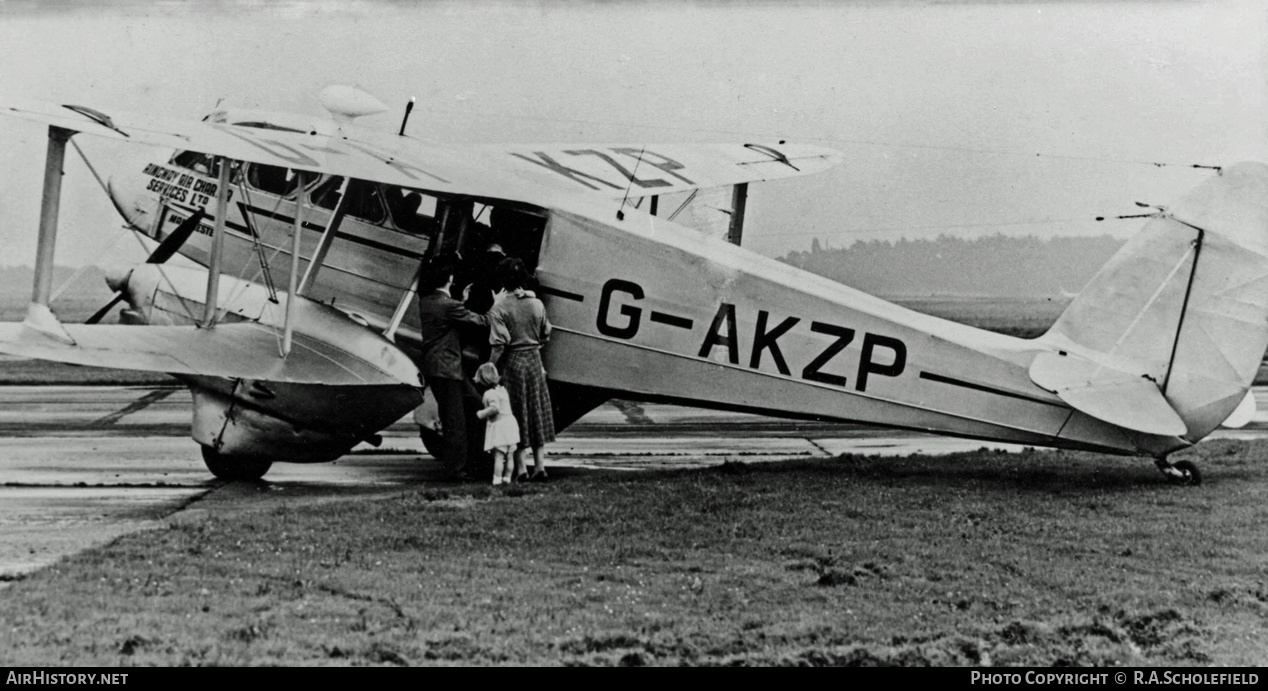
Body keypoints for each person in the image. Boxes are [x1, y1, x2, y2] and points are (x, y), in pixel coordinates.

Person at [417, 258, 488, 481]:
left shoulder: (427, 302)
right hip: (449, 370)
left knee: (471, 407)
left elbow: (449, 317)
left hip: (438, 368)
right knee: (457, 420)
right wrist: (497, 304)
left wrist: (463, 301)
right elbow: (481, 322)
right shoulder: (449, 306)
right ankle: (456, 470)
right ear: (449, 279)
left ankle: (465, 462)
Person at [487, 257, 555, 481]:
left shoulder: (499, 308)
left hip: (513, 363)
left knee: (516, 415)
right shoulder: (536, 304)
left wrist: (490, 366)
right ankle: (540, 467)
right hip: (534, 361)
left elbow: (499, 344)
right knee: (537, 412)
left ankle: (522, 469)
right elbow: (546, 332)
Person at [473, 362, 522, 485]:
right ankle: (507, 478)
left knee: (499, 457)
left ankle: (497, 479)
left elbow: (495, 408)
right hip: (511, 424)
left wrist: (481, 413)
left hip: (500, 427)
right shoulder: (502, 390)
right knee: (510, 456)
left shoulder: (489, 394)